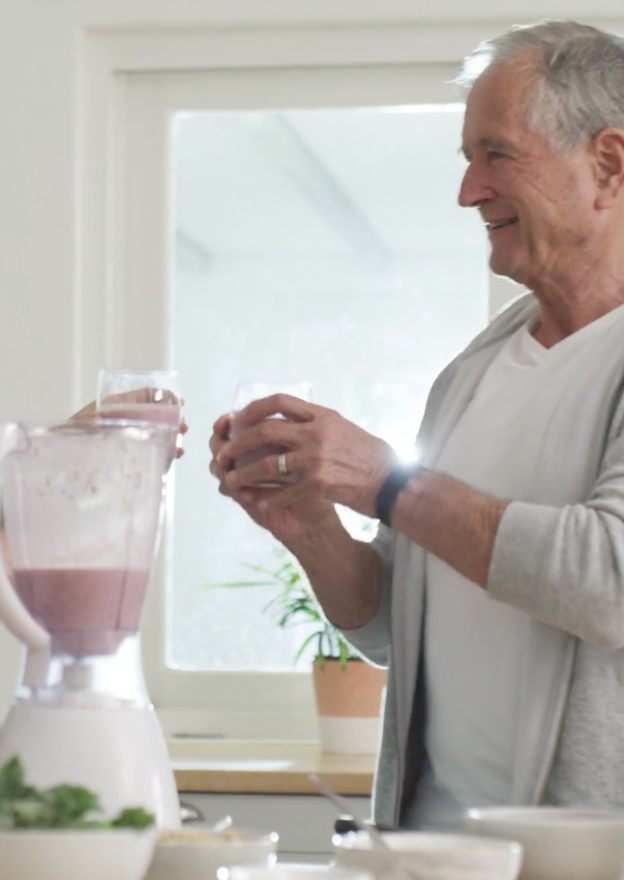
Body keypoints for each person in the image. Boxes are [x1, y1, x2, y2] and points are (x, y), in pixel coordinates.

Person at [209, 19, 624, 831]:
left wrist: (386, 482)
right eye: (468, 160)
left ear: (607, 166)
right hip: (429, 849)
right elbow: (400, 630)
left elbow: (609, 580)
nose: (468, 192)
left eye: (496, 155)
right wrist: (312, 527)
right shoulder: (470, 376)